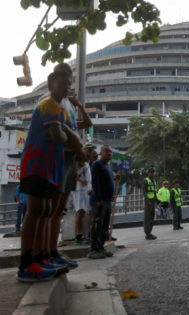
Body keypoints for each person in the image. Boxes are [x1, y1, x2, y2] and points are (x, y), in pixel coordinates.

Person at [17, 71, 75, 282]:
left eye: (69, 84)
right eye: (63, 83)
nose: (67, 87)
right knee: (36, 210)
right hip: (37, 164)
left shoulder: (59, 109)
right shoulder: (48, 105)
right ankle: (26, 264)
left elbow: (65, 136)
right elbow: (58, 135)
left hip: (50, 167)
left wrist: (69, 134)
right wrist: (71, 134)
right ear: (51, 84)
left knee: (46, 210)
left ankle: (40, 258)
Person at [42, 63, 92, 269]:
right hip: (58, 157)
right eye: (63, 76)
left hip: (71, 157)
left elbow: (82, 125)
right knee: (50, 209)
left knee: (59, 209)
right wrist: (79, 148)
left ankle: (53, 251)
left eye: (70, 75)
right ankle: (44, 253)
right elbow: (58, 132)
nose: (68, 80)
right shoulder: (49, 102)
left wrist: (79, 105)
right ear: (53, 80)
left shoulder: (69, 103)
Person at [88, 145, 118, 259]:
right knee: (96, 226)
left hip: (107, 200)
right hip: (99, 201)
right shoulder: (97, 164)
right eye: (107, 151)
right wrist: (99, 199)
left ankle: (101, 247)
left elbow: (105, 180)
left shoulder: (108, 166)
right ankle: (93, 250)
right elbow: (95, 182)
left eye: (111, 152)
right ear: (101, 153)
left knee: (104, 226)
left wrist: (115, 178)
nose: (110, 153)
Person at [74, 159, 92, 245]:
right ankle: (79, 236)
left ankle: (89, 235)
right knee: (80, 212)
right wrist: (80, 181)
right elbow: (72, 174)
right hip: (78, 190)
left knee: (86, 211)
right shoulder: (75, 163)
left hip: (87, 189)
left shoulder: (87, 164)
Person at [142, 167, 158, 239]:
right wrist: (147, 200)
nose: (152, 173)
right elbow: (144, 192)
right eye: (151, 172)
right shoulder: (146, 180)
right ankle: (147, 233)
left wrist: (157, 199)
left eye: (153, 172)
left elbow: (154, 191)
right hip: (148, 202)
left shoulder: (154, 181)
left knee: (152, 217)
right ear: (148, 173)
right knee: (147, 218)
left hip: (153, 201)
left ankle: (150, 232)